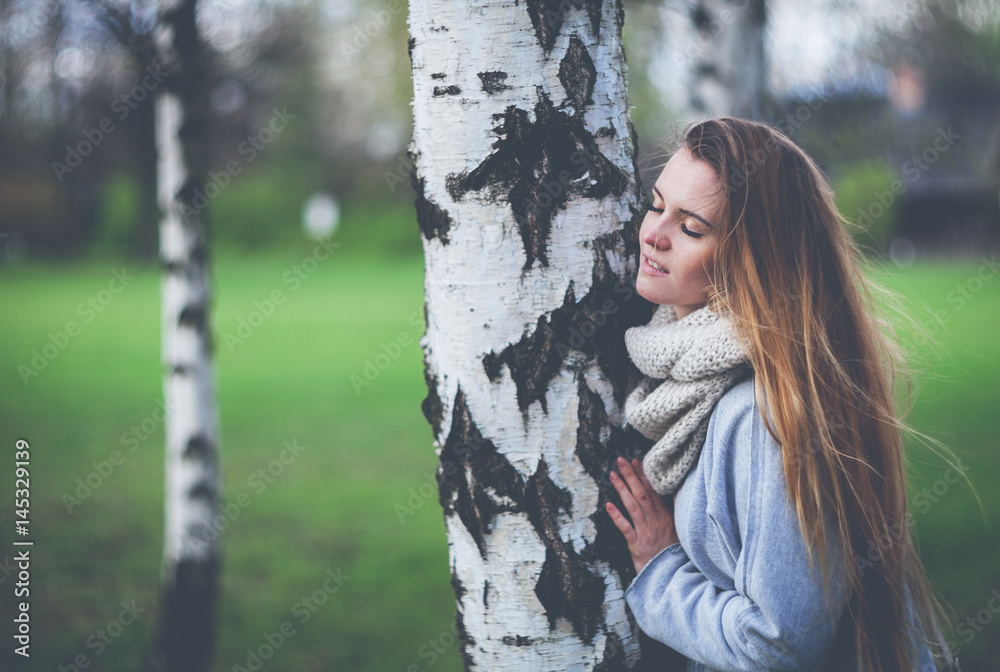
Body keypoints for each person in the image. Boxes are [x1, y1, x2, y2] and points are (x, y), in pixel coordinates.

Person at [605, 118, 960, 672]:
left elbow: (779, 646)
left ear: (752, 258)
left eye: (692, 227)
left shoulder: (762, 413)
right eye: (656, 205)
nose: (653, 234)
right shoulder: (688, 374)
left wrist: (661, 567)